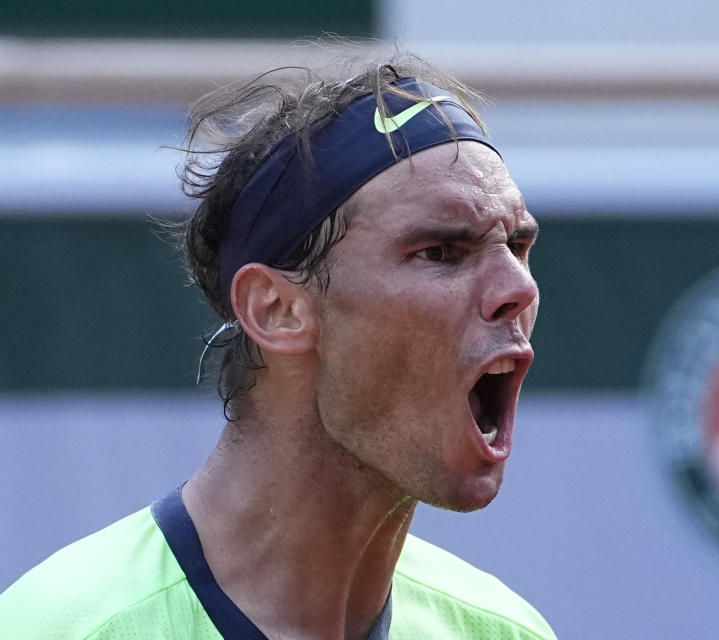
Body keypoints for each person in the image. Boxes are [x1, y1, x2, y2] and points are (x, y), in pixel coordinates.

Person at [0, 53, 555, 640]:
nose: (518, 289)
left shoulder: (504, 630)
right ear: (277, 309)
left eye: (517, 247)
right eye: (440, 252)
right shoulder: (60, 628)